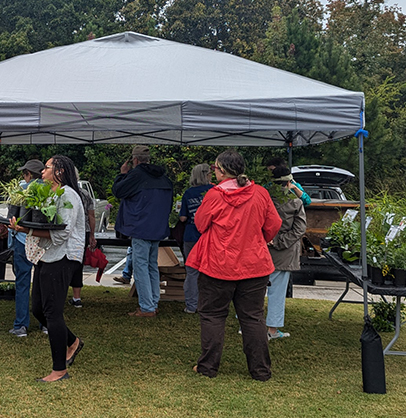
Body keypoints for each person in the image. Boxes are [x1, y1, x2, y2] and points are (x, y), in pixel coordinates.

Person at [186, 149, 281, 381]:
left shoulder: (215, 195)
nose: (213, 172)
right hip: (254, 265)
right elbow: (274, 224)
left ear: (223, 171)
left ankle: (208, 367)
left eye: (215, 168)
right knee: (253, 318)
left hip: (218, 265)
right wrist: (258, 237)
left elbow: (200, 223)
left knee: (213, 316)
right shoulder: (260, 193)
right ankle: (260, 371)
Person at [10, 155, 85, 382]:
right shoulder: (50, 194)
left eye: (47, 168)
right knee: (38, 309)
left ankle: (59, 370)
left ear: (59, 171)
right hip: (47, 255)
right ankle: (73, 342)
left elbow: (62, 233)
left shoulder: (68, 195)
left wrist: (26, 230)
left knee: (52, 312)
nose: (42, 172)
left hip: (63, 256)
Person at [112, 145, 173, 317]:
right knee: (152, 266)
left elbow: (118, 191)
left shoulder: (136, 175)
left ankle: (147, 307)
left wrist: (123, 174)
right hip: (157, 228)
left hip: (140, 227)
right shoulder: (163, 177)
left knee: (140, 267)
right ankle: (153, 302)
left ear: (135, 160)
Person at [265, 166, 307, 341]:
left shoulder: (264, 198)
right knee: (277, 292)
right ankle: (272, 330)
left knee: (254, 290)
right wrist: (280, 241)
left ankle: (247, 326)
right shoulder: (295, 201)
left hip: (261, 250)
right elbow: (300, 228)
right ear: (289, 182)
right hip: (284, 253)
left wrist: (266, 238)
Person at [8, 159, 45, 337]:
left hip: (23, 241)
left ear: (29, 174)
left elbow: (11, 218)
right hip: (44, 243)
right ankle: (45, 323)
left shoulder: (21, 190)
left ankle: (21, 325)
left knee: (22, 282)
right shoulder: (50, 191)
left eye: (24, 173)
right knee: (43, 283)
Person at [178, 164, 213, 314]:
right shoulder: (213, 192)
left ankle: (191, 306)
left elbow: (183, 217)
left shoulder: (188, 193)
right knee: (210, 272)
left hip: (191, 235)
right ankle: (208, 305)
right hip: (209, 236)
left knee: (192, 272)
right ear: (207, 175)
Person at [69, 168, 97, 308]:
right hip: (83, 232)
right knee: (77, 264)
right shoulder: (84, 194)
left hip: (68, 231)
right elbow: (91, 215)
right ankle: (76, 297)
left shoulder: (63, 193)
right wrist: (92, 234)